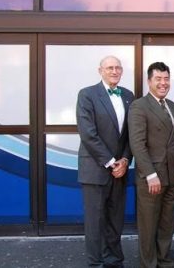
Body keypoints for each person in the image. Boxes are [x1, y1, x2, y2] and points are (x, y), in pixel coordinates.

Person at [76, 55, 135, 267]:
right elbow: (88, 134)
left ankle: (114, 260)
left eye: (118, 68)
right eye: (110, 68)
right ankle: (95, 263)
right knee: (95, 222)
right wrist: (111, 162)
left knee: (115, 219)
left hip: (120, 169)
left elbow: (131, 134)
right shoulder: (87, 95)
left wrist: (126, 160)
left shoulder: (129, 96)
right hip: (96, 169)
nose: (114, 71)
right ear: (100, 70)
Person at [128, 61, 174, 268]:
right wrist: (150, 174)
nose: (163, 83)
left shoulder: (172, 106)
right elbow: (137, 143)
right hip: (152, 177)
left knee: (166, 224)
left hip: (172, 176)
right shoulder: (139, 106)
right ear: (149, 81)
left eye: (166, 79)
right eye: (158, 79)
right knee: (148, 225)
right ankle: (149, 264)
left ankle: (164, 261)